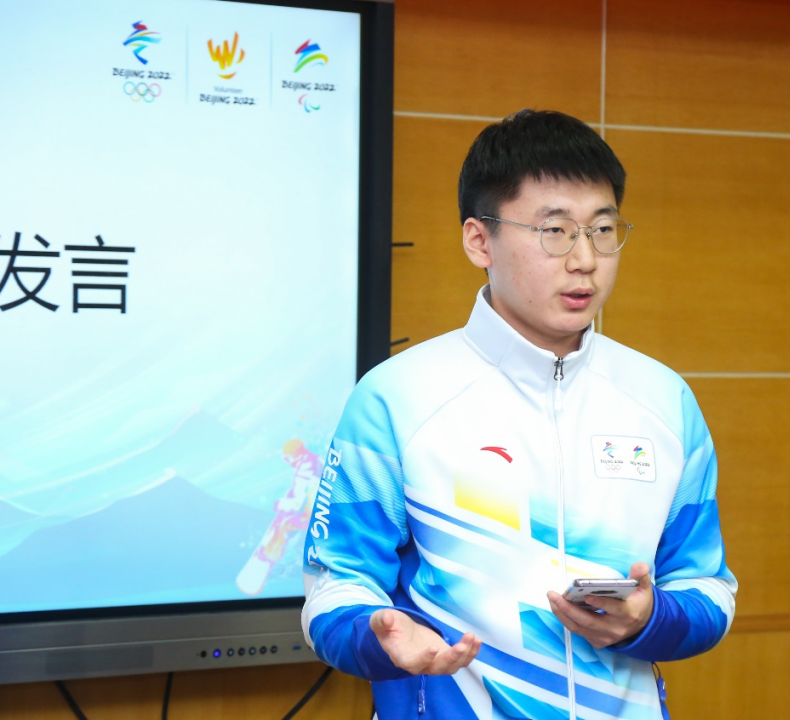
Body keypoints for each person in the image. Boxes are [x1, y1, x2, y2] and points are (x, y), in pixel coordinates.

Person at [302, 109, 737, 720]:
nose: (585, 259)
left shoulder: (663, 400)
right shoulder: (396, 398)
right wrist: (378, 638)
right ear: (479, 241)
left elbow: (709, 587)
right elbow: (334, 585)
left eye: (602, 229)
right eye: (554, 231)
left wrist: (651, 619)